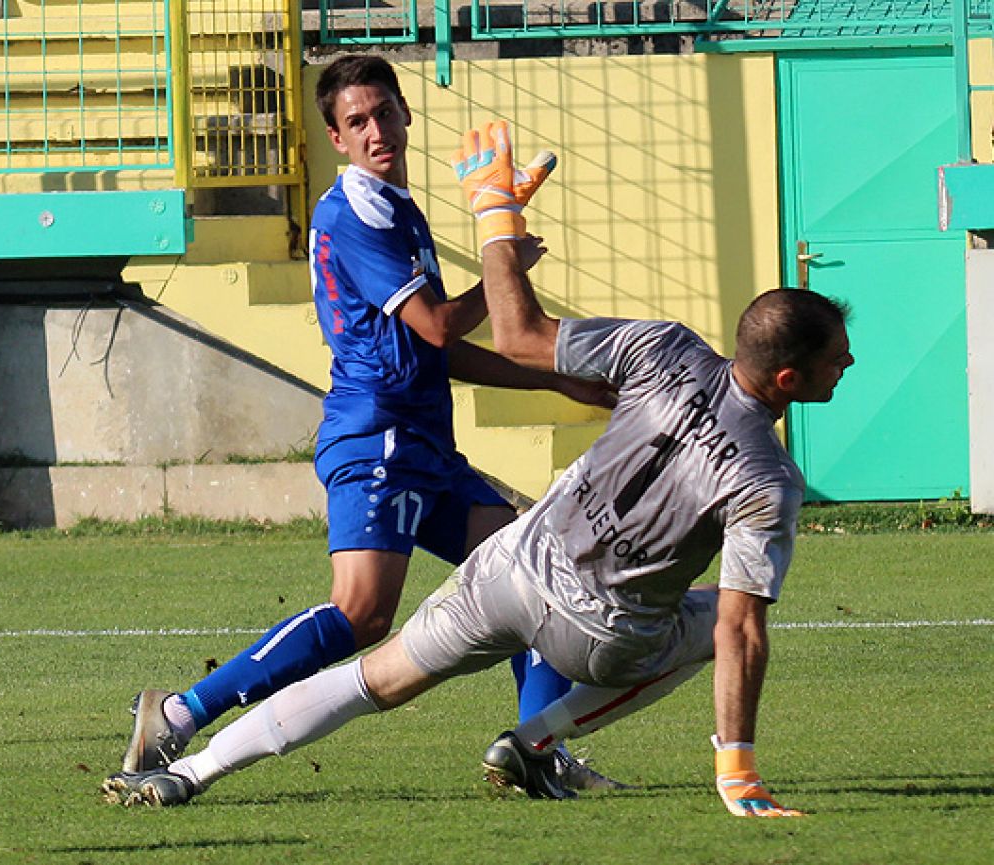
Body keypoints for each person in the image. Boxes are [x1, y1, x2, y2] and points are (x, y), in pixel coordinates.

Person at [99, 119, 854, 817]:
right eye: (833, 356)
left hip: (508, 571)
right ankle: (536, 742)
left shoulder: (661, 347)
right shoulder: (766, 478)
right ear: (787, 380)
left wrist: (497, 217)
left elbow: (520, 335)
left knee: (371, 679)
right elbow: (742, 626)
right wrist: (738, 768)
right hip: (593, 629)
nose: (847, 361)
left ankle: (188, 771)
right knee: (714, 625)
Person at [102, 58, 620, 799]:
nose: (375, 130)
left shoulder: (395, 206)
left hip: (422, 444)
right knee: (361, 613)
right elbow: (439, 327)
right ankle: (180, 712)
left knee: (538, 570)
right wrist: (499, 244)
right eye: (357, 121)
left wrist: (554, 379)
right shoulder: (354, 215)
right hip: (377, 438)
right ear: (336, 138)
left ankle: (537, 750)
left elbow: (431, 347)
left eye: (384, 112)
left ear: (407, 116)